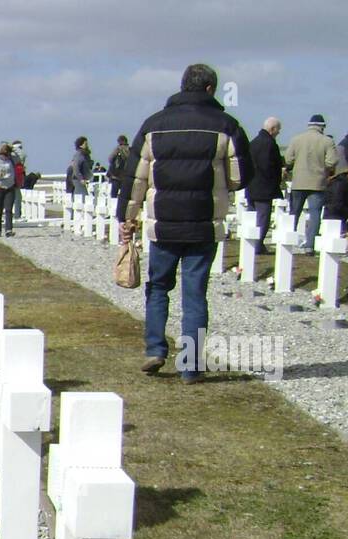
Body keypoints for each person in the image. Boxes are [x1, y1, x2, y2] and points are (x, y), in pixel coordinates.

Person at [117, 62, 252, 383]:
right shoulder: (226, 124)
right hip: (203, 223)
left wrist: (128, 217)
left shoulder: (154, 125)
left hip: (164, 222)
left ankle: (155, 349)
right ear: (210, 89)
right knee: (194, 294)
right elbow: (240, 176)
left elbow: (135, 177)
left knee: (159, 286)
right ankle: (190, 365)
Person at [284, 114, 337, 256]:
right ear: (322, 126)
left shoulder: (296, 139)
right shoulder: (327, 141)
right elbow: (332, 162)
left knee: (294, 212)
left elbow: (288, 159)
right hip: (317, 182)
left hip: (299, 181)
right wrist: (322, 168)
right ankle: (309, 245)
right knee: (315, 214)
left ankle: (287, 241)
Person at [246, 117, 284, 254]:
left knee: (251, 217)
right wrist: (275, 181)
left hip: (251, 185)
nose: (278, 133)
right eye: (278, 130)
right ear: (272, 129)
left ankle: (253, 244)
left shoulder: (253, 143)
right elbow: (269, 166)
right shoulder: (269, 144)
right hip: (264, 187)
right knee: (263, 218)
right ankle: (257, 244)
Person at [323, 165, 348, 234]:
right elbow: (337, 202)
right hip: (337, 216)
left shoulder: (341, 182)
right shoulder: (342, 184)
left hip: (333, 213)